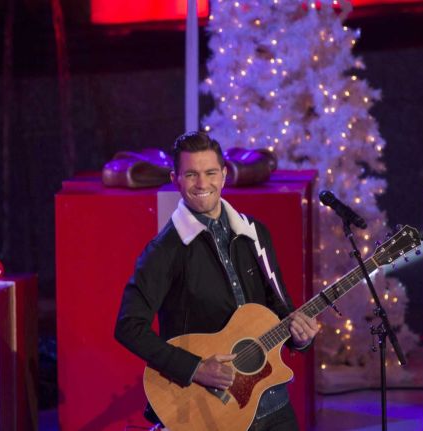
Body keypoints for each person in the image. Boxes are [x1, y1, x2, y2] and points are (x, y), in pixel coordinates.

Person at [114, 131, 319, 430]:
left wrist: (301, 338)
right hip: (214, 410)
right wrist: (194, 368)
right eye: (191, 174)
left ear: (223, 175)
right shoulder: (164, 251)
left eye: (210, 173)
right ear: (176, 179)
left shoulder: (254, 233)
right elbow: (128, 327)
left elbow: (280, 308)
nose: (202, 184)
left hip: (272, 400)